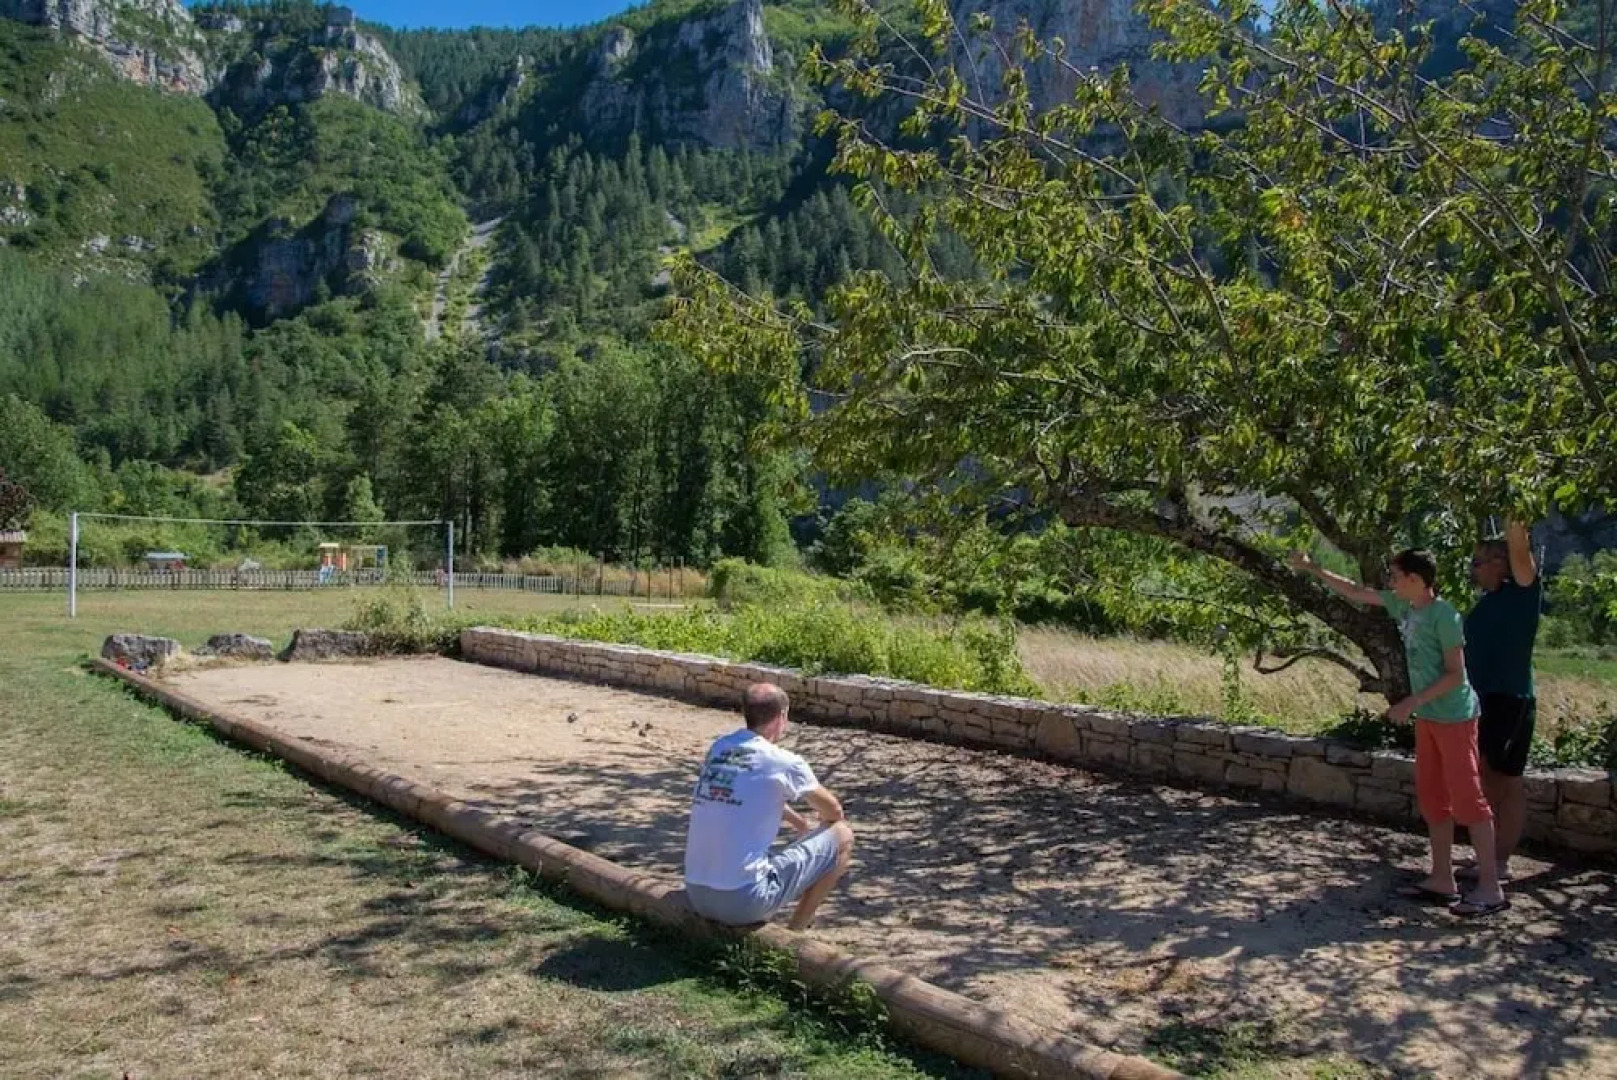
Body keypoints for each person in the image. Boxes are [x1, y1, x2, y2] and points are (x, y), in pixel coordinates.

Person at [1288, 548, 1509, 917]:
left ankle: (1491, 887)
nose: (1389, 581)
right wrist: (1315, 570)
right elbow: (1356, 592)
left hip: (1455, 718)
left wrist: (1411, 701)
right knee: (1433, 797)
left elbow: (1456, 674)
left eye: (1394, 575)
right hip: (1429, 718)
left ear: (1414, 579)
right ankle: (1442, 878)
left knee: (1469, 799)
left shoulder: (1445, 616)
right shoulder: (1403, 605)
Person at [684, 683, 854, 931]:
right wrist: (822, 824)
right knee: (842, 835)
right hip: (743, 901)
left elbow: (740, 794)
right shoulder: (783, 762)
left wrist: (799, 823)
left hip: (696, 893)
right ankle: (796, 931)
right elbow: (834, 812)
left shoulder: (720, 748)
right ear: (781, 717)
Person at [1464, 521, 1541, 884]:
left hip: (1510, 699)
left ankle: (1496, 862)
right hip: (1484, 698)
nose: (1472, 570)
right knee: (1490, 776)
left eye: (1478, 562)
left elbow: (1520, 549)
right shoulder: (1488, 602)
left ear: (1500, 561)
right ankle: (1489, 858)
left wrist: (1514, 511)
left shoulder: (1523, 592)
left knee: (1501, 779)